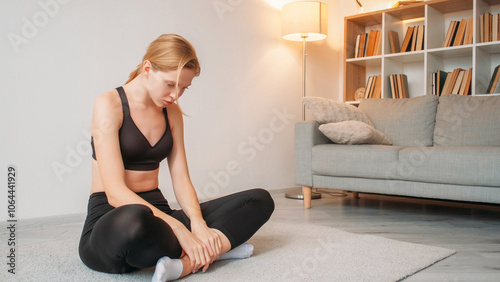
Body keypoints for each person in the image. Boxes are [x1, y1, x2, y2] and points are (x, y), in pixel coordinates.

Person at [78, 34, 275, 281]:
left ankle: (188, 262)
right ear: (147, 68)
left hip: (160, 215)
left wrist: (197, 223)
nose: (176, 95)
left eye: (184, 87)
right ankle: (218, 249)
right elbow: (116, 193)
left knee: (259, 200)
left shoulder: (171, 112)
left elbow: (181, 178)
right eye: (170, 84)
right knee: (135, 219)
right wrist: (179, 228)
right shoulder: (108, 104)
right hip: (113, 218)